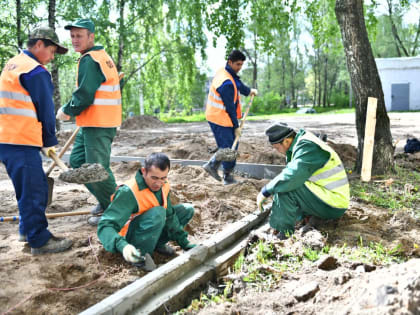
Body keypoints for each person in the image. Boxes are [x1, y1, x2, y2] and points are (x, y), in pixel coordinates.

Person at [0, 26, 73, 255]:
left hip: (7, 138)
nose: (52, 58)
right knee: (34, 191)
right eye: (51, 51)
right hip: (21, 139)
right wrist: (49, 140)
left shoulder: (13, 64)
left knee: (30, 187)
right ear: (39, 44)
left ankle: (26, 231)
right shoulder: (35, 70)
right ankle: (40, 241)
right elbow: (45, 108)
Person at [56, 19, 122, 226]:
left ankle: (117, 210)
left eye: (79, 36)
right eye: (72, 36)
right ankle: (106, 201)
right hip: (92, 123)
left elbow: (84, 95)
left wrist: (66, 111)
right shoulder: (99, 57)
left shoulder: (91, 60)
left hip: (99, 124)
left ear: (91, 36)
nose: (74, 40)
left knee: (97, 169)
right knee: (77, 163)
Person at [97, 153, 196, 267]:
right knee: (158, 213)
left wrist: (184, 243)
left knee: (186, 210)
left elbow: (169, 216)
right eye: (154, 178)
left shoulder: (164, 185)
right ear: (144, 171)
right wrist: (123, 246)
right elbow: (105, 225)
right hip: (129, 238)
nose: (158, 183)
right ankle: (140, 257)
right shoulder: (128, 192)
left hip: (150, 226)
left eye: (163, 178)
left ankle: (158, 245)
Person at [257, 122, 350, 239]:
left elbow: (292, 177)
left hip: (333, 203)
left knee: (286, 188)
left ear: (286, 141)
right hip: (329, 197)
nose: (277, 151)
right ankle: (296, 220)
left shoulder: (307, 147)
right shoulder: (301, 142)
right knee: (286, 186)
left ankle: (283, 235)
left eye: (277, 147)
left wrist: (265, 191)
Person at [203, 50, 258, 185]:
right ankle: (216, 168)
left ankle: (225, 173)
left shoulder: (226, 72)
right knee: (228, 147)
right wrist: (236, 126)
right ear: (230, 62)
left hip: (221, 116)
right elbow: (230, 108)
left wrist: (248, 91)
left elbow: (237, 84)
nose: (239, 67)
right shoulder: (226, 83)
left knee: (233, 144)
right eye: (237, 64)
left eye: (241, 65)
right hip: (219, 117)